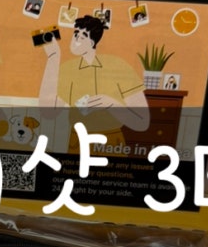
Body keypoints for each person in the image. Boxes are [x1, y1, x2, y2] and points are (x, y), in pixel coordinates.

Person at [38, 14, 149, 148]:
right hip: (77, 143)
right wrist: (53, 57)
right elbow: (48, 113)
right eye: (75, 34)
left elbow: (142, 122)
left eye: (82, 36)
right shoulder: (67, 69)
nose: (76, 39)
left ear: (92, 43)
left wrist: (111, 104)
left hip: (111, 144)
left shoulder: (118, 66)